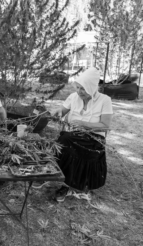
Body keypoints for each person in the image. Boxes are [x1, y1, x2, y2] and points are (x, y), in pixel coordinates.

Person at [51, 67, 113, 202]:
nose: (79, 92)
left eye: (83, 89)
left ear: (92, 87)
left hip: (94, 138)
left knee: (66, 139)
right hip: (74, 136)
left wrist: (84, 124)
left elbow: (105, 125)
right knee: (65, 140)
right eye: (78, 87)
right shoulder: (74, 97)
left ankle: (72, 184)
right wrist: (58, 112)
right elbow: (63, 111)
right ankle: (66, 184)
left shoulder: (104, 100)